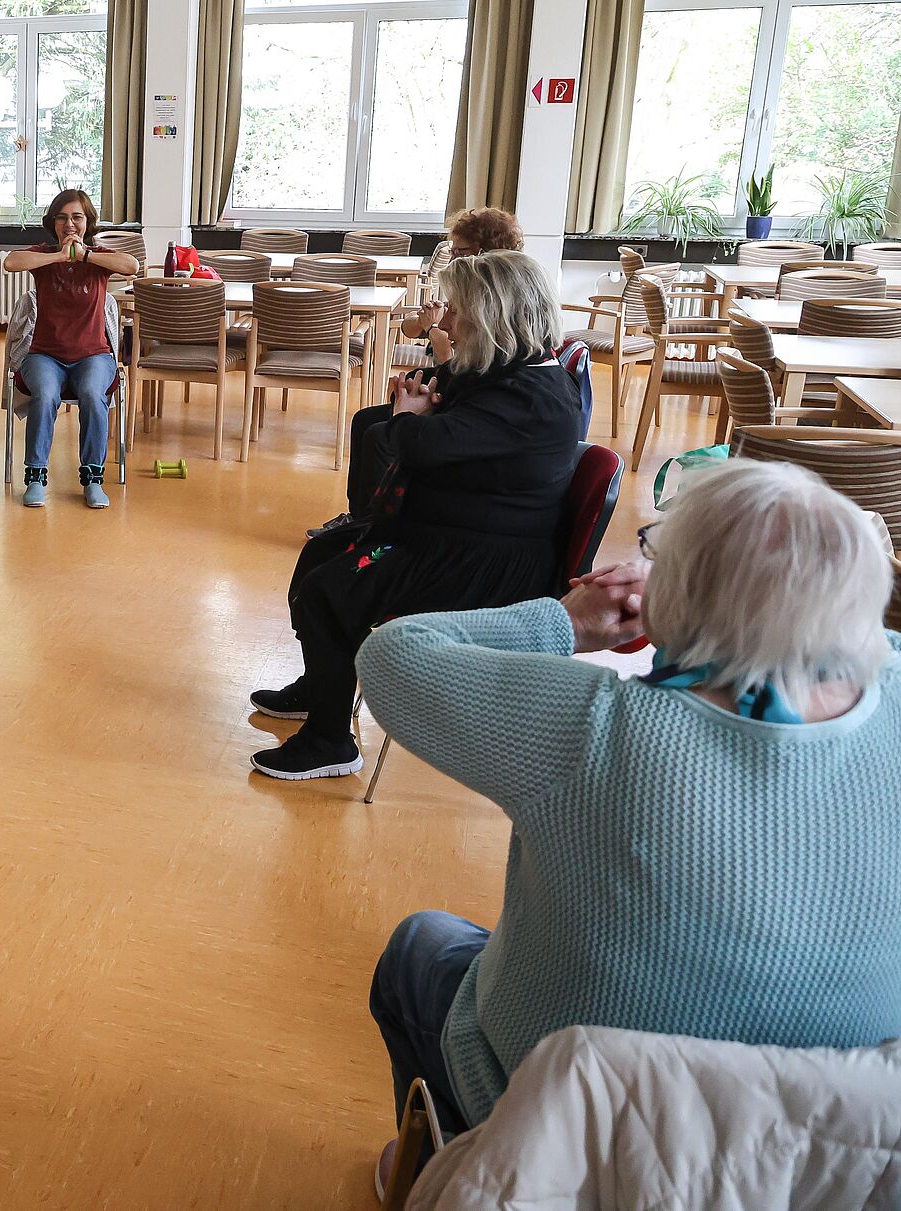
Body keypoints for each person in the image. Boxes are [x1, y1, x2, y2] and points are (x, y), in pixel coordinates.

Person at [356, 459, 901, 1175]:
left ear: (674, 590)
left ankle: (443, 1167)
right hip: (827, 1149)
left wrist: (568, 620)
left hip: (572, 1137)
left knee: (421, 947)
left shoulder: (591, 726)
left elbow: (392, 655)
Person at [248, 251, 583, 779]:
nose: (444, 321)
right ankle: (321, 686)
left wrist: (407, 416)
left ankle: (330, 742)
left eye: (455, 311)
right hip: (451, 536)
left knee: (330, 590)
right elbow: (433, 393)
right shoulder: (505, 371)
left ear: (493, 318)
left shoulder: (533, 397)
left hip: (483, 559)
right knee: (322, 553)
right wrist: (417, 401)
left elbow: (423, 444)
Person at [309, 208, 589, 538]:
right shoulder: (496, 334)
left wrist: (413, 407)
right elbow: (426, 341)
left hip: (480, 540)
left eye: (461, 252)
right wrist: (419, 380)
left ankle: (368, 523)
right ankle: (363, 518)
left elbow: (448, 366)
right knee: (368, 421)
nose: (453, 257)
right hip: (475, 509)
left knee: (377, 434)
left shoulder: (520, 384)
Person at [1, 188, 138, 508]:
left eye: (77, 217)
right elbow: (11, 262)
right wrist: (60, 256)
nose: (69, 224)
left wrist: (84, 255)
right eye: (62, 218)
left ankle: (93, 479)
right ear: (53, 223)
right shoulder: (43, 254)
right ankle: (35, 477)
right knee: (46, 395)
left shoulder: (100, 257)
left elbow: (131, 265)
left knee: (92, 395)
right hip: (44, 356)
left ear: (88, 221)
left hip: (94, 356)